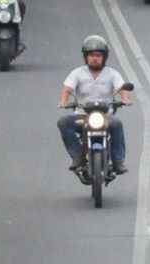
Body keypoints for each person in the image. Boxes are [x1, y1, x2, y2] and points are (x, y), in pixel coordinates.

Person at [57, 36, 133, 174]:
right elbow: (67, 89)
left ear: (104, 57)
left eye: (98, 55)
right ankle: (77, 156)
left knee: (116, 124)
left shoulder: (112, 74)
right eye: (91, 55)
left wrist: (125, 99)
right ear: (86, 57)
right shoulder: (77, 73)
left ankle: (118, 162)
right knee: (63, 122)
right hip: (82, 117)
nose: (95, 58)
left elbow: (121, 88)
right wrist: (63, 101)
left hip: (105, 117)